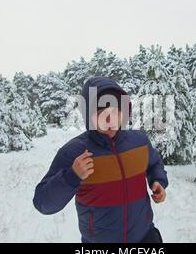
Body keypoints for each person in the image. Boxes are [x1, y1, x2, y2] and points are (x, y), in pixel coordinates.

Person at [33, 76, 168, 243]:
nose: (110, 120)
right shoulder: (73, 152)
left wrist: (158, 181)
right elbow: (43, 203)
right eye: (101, 113)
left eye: (115, 111)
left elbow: (155, 163)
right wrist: (72, 176)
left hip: (145, 239)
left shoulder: (139, 141)